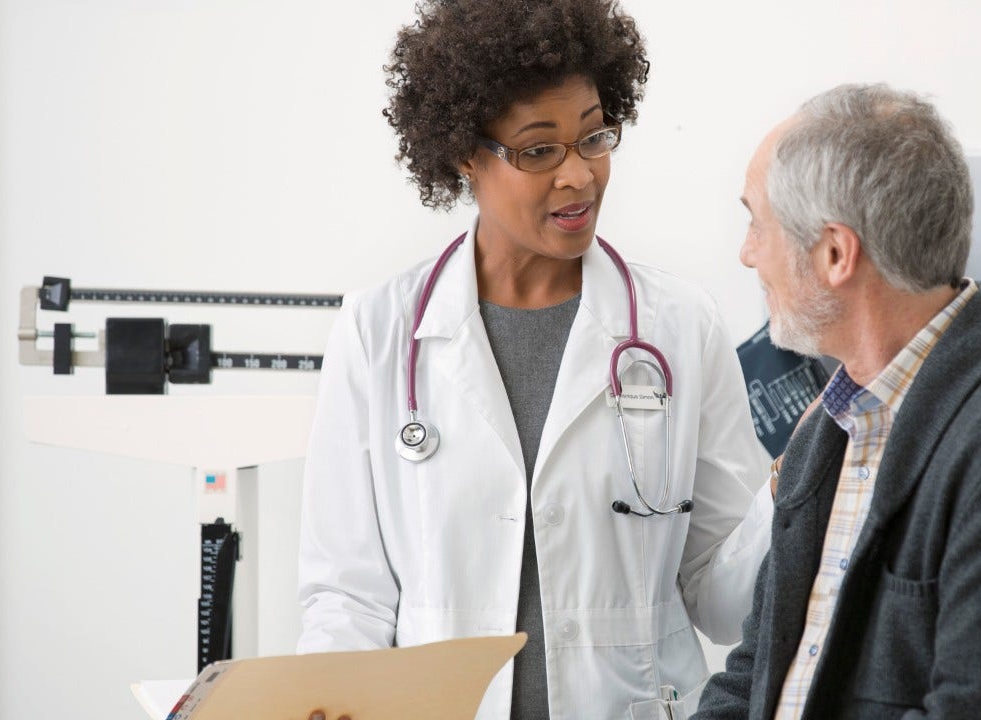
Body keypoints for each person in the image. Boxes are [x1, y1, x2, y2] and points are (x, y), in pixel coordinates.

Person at [296, 2, 774, 718]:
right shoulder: (379, 331)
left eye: (593, 138)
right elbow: (347, 596)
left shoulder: (680, 327)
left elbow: (725, 602)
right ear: (464, 154)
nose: (579, 177)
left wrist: (791, 487)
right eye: (538, 150)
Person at [693, 84, 981, 719]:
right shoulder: (830, 426)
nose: (747, 254)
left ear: (835, 253)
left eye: (756, 224)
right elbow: (754, 678)